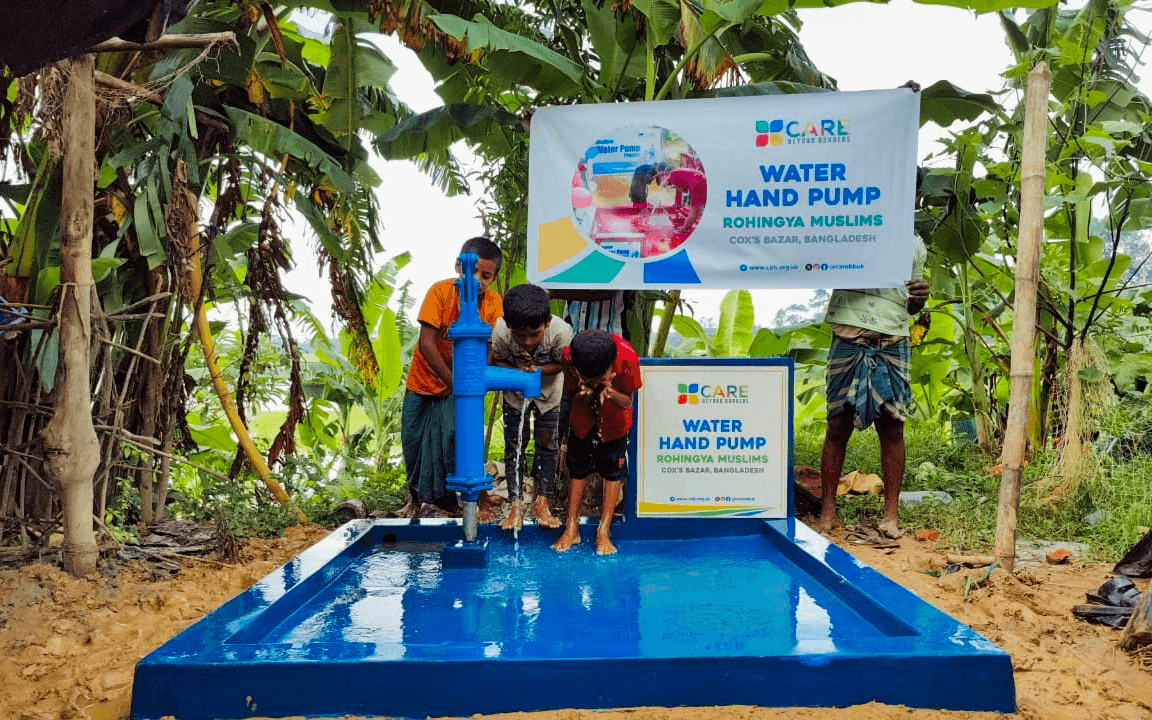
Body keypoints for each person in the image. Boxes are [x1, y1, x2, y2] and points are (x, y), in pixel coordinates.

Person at [816, 169, 930, 539]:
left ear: (916, 198)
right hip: (849, 335)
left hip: (892, 339)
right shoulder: (849, 228)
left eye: (912, 192)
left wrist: (918, 299)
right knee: (838, 424)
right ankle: (827, 511)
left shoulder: (915, 245)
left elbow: (910, 305)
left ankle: (890, 514)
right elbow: (822, 267)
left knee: (892, 426)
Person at [401, 237, 504, 515]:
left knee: (459, 438)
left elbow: (490, 349)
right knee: (414, 443)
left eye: (486, 276)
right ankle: (416, 500)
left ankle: (464, 499)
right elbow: (426, 343)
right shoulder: (440, 292)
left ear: (494, 278)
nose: (477, 281)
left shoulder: (493, 303)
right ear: (459, 267)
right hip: (425, 381)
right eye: (472, 272)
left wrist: (472, 383)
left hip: (462, 385)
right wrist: (454, 383)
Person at [552, 329, 642, 555]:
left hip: (615, 422)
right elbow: (570, 393)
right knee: (577, 467)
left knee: (613, 471)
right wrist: (584, 393)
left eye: (599, 378)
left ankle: (604, 529)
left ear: (612, 365)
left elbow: (627, 402)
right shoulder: (569, 357)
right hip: (582, 418)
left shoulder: (628, 358)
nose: (594, 383)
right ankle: (571, 526)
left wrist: (609, 392)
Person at [490, 283, 572, 532]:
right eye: (520, 335)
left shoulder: (561, 332)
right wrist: (518, 374)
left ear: (547, 322)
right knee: (514, 445)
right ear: (508, 325)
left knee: (547, 445)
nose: (527, 342)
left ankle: (542, 503)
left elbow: (563, 364)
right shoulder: (500, 332)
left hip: (549, 393)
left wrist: (538, 371)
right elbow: (496, 361)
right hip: (515, 393)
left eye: (535, 335)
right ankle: (516, 504)